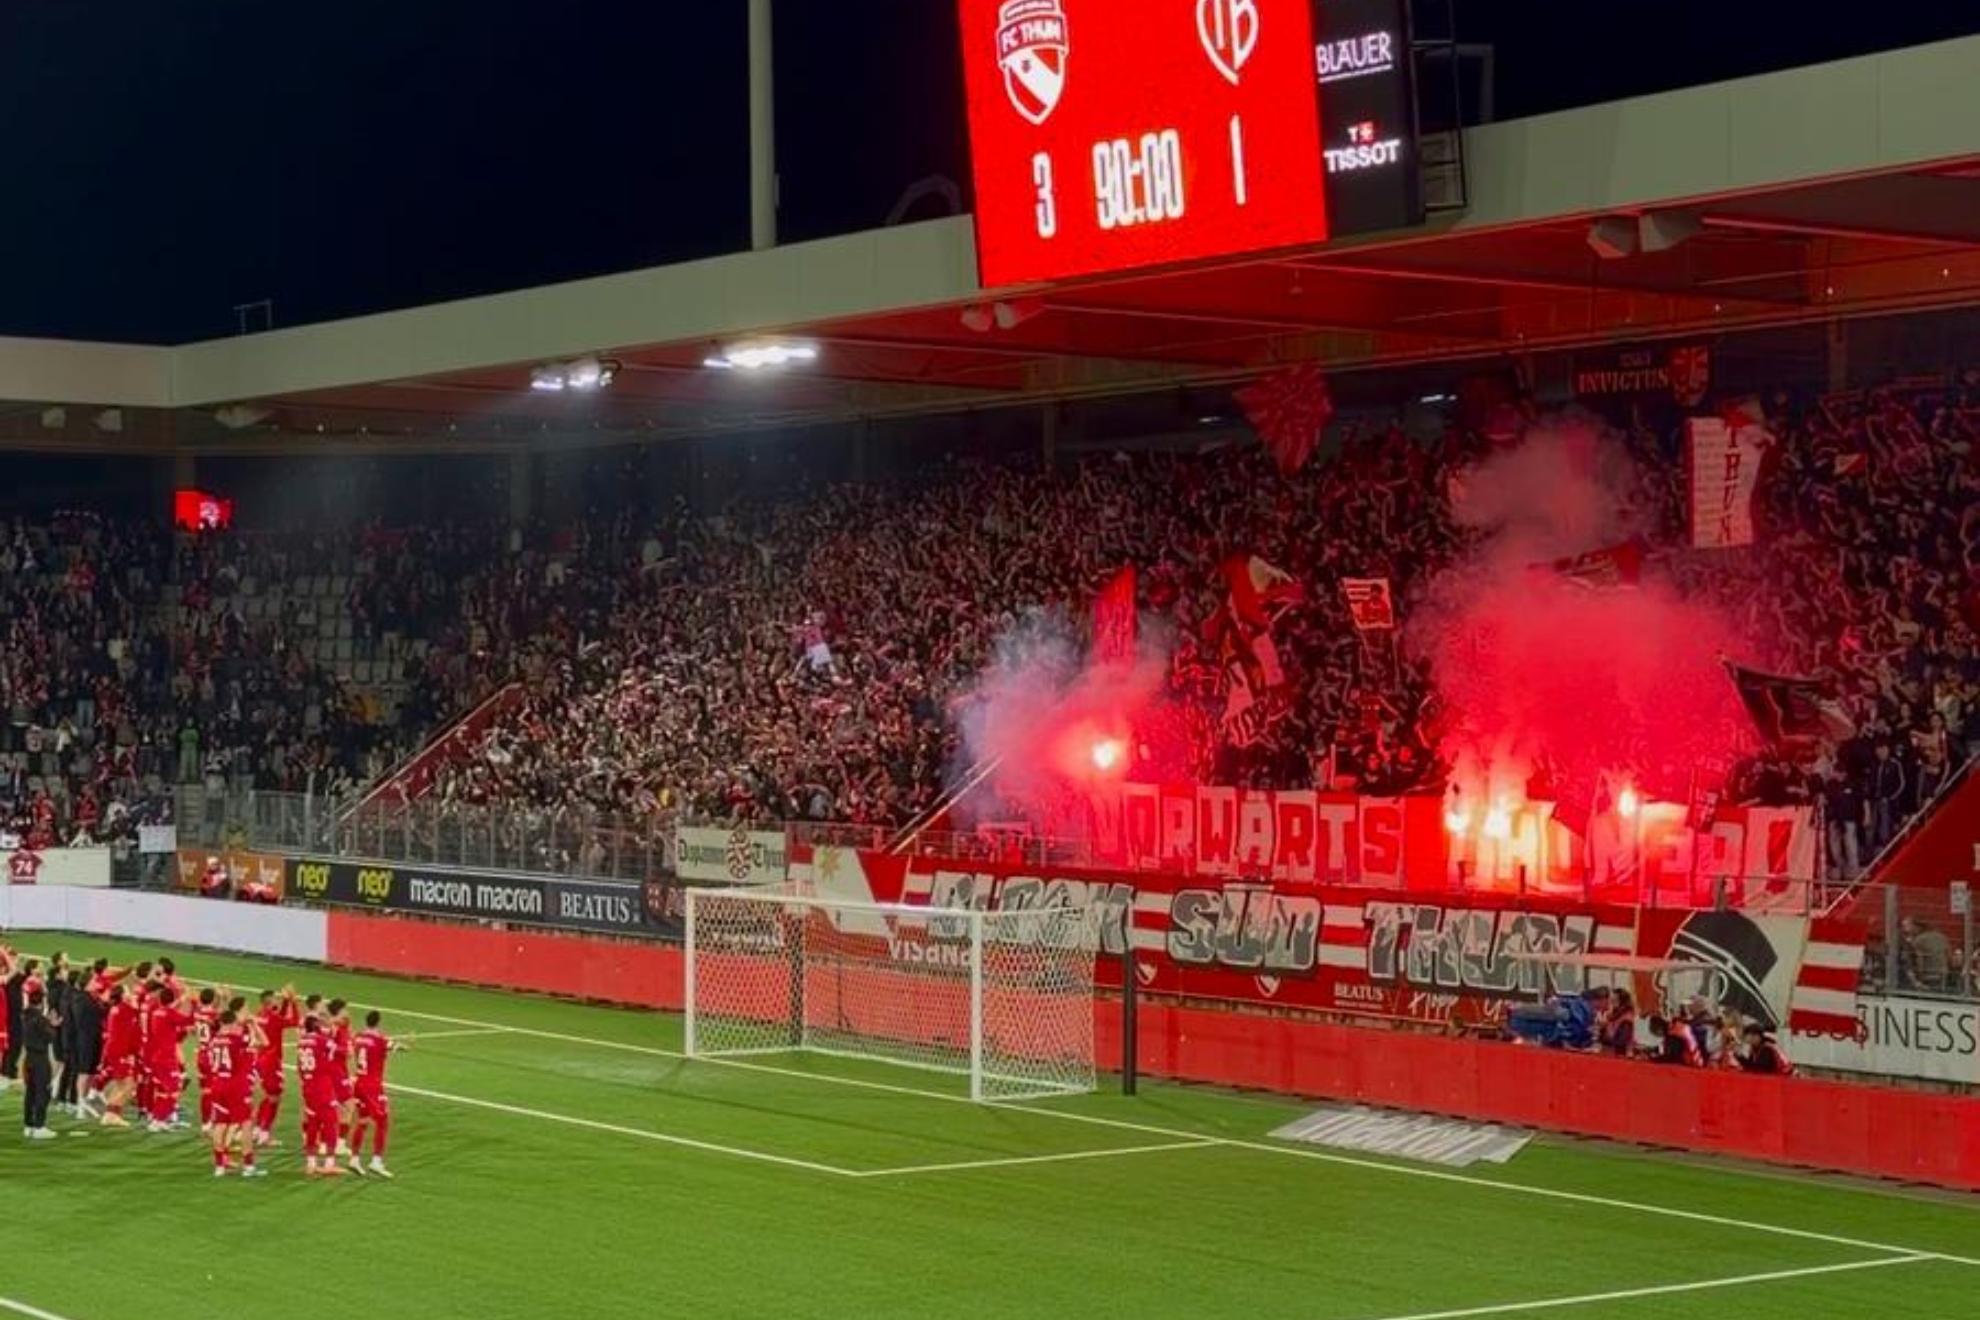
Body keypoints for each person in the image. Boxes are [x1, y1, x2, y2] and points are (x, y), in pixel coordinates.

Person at [203, 1009, 266, 1178]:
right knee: (246, 1124)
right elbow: (263, 1042)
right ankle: (248, 1166)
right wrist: (253, 1023)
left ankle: (219, 1166)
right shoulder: (236, 1039)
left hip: (218, 1084)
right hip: (235, 1086)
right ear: (231, 1023)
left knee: (220, 1124)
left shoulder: (213, 1041)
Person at [349, 1010, 399, 1178]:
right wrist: (407, 1045)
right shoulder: (380, 1039)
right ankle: (376, 1162)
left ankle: (354, 1159)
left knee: (363, 1121)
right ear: (378, 1022)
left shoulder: (358, 1036)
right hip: (372, 1086)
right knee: (383, 1121)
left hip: (359, 1082)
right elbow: (395, 1047)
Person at [252, 986, 301, 1147]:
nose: (277, 1000)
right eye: (276, 998)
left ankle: (257, 1130)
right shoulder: (273, 1017)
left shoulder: (260, 1014)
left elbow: (279, 1017)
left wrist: (286, 1001)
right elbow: (294, 1022)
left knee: (268, 1095)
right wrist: (293, 1002)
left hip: (261, 1058)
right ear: (269, 1000)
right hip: (272, 1061)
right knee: (275, 1098)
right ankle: (265, 1133)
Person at [297, 1015, 343, 1178]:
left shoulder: (301, 1041)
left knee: (313, 1123)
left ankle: (311, 1163)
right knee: (331, 1123)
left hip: (308, 1086)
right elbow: (337, 1050)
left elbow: (299, 1066)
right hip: (322, 1086)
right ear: (316, 1026)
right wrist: (333, 1034)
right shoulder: (321, 1040)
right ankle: (329, 1163)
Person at [19, 986, 58, 1140]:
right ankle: (39, 1127)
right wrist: (52, 1024)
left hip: (28, 1059)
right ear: (41, 1003)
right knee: (42, 1093)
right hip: (40, 1060)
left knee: (30, 1093)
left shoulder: (25, 1015)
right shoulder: (40, 1019)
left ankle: (28, 1125)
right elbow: (50, 1037)